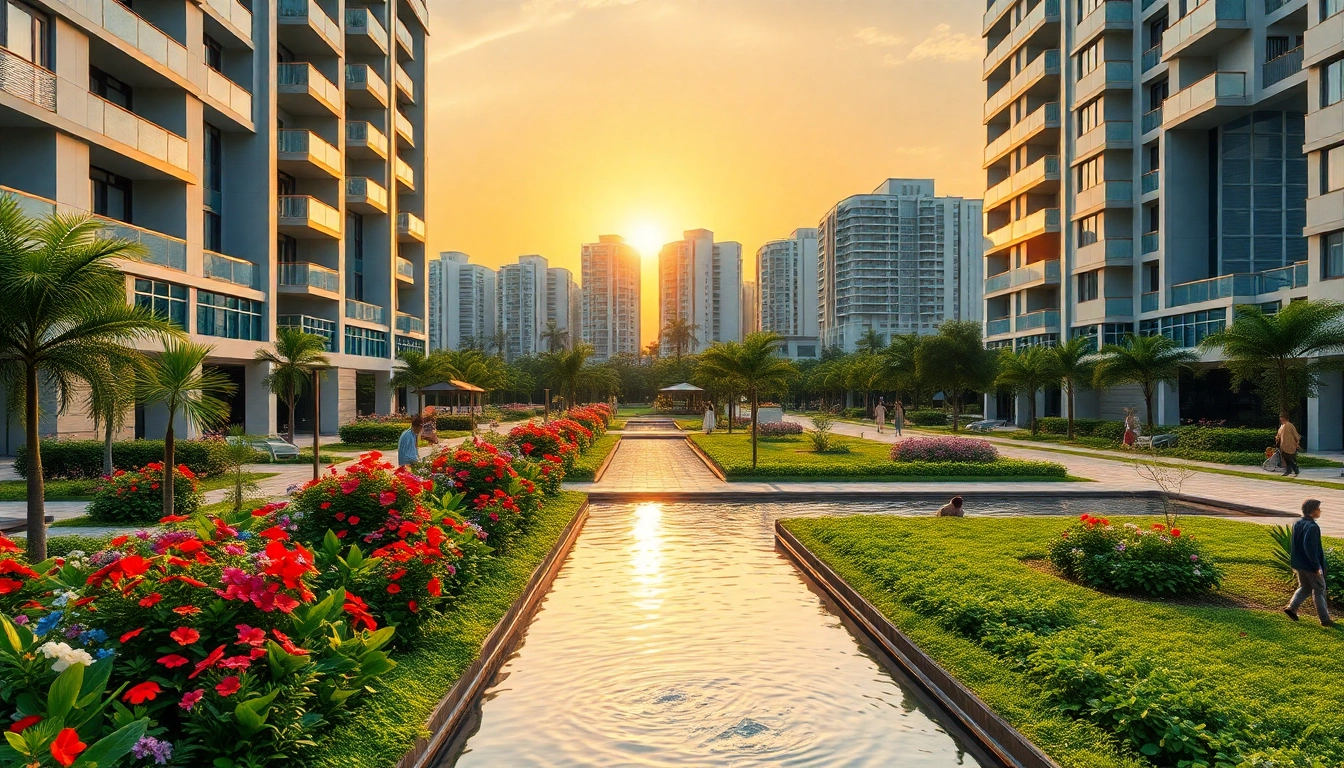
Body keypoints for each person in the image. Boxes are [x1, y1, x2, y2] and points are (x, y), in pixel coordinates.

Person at [1285, 499, 1333, 627]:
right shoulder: (1313, 527)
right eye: (1319, 508)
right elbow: (1310, 548)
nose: (1320, 511)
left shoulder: (1298, 523)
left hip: (1299, 564)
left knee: (1305, 587)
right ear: (1313, 510)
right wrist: (1316, 566)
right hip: (1311, 566)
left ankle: (1292, 608)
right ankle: (1325, 620)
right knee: (1319, 590)